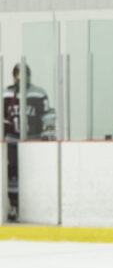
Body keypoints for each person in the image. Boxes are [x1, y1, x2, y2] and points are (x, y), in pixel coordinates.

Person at [2, 63, 55, 222]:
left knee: (33, 173)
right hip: (12, 140)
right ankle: (14, 205)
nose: (21, 78)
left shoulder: (39, 93)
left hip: (33, 141)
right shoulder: (6, 94)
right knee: (12, 172)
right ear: (14, 76)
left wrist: (48, 133)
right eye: (18, 74)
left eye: (25, 74)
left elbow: (47, 116)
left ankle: (35, 206)